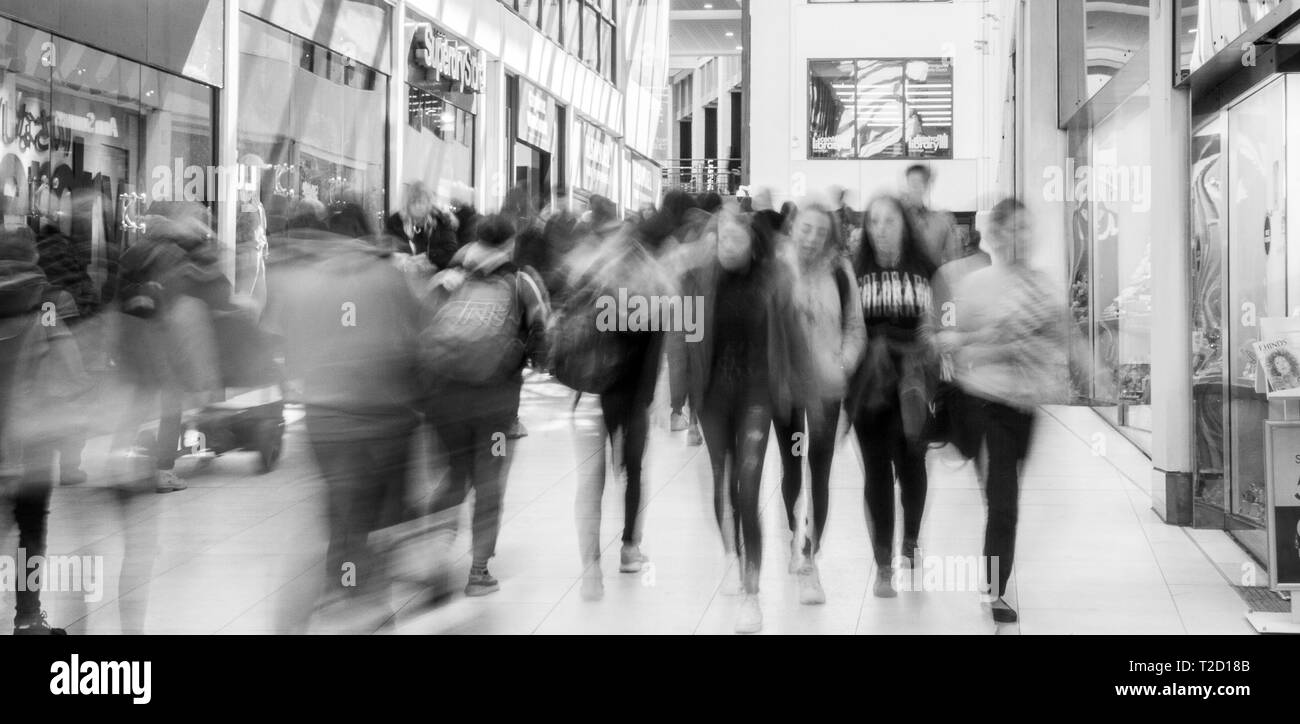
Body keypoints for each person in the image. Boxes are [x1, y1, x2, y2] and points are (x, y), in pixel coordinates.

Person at [937, 198, 1069, 624]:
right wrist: (990, 344)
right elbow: (950, 342)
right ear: (994, 236)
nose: (1019, 237)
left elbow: (1062, 334)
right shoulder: (976, 286)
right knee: (1003, 500)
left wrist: (1093, 369)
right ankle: (996, 589)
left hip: (1024, 409)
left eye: (1025, 228)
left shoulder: (1044, 286)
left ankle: (994, 578)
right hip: (983, 405)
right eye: (1010, 229)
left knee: (1006, 495)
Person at [683, 209, 798, 633]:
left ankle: (752, 594)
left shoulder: (774, 280)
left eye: (736, 239)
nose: (727, 245)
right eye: (721, 239)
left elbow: (791, 338)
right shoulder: (697, 281)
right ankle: (731, 554)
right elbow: (687, 338)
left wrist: (797, 387)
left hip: (755, 395)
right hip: (713, 398)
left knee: (748, 490)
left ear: (752, 242)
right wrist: (678, 397)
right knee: (722, 482)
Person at [422, 214, 549, 597]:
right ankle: (478, 572)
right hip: (495, 405)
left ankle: (433, 560)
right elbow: (543, 338)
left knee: (452, 477)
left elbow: (421, 328)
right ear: (510, 243)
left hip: (445, 402)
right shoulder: (521, 281)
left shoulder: (448, 277)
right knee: (489, 480)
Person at [566, 212, 669, 602]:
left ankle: (593, 566)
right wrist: (649, 398)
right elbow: (655, 343)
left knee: (595, 479)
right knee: (633, 470)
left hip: (598, 390)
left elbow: (574, 331)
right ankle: (628, 548)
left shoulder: (595, 276)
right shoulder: (653, 281)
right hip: (626, 393)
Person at [0, 226, 89, 634]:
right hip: (31, 441)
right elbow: (69, 371)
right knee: (30, 532)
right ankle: (27, 620)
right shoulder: (48, 303)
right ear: (33, 258)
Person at [775, 204, 864, 604]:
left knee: (820, 471)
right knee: (792, 466)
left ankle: (811, 557)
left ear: (830, 237)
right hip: (787, 387)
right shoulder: (777, 267)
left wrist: (843, 363)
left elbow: (855, 328)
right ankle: (795, 535)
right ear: (794, 229)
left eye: (820, 232)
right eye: (805, 229)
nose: (811, 237)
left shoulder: (841, 272)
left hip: (826, 389)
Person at [850, 194, 938, 598]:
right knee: (876, 473)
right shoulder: (857, 270)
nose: (880, 228)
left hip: (912, 386)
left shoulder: (926, 270)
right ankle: (884, 563)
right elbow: (847, 326)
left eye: (888, 221)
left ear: (904, 224)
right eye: (874, 222)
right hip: (869, 388)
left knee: (912, 465)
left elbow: (938, 324)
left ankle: (911, 541)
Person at [384, 181, 459, 268]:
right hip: (401, 274)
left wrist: (427, 257)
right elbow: (385, 248)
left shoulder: (440, 221)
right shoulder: (396, 221)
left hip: (433, 273)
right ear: (407, 204)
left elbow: (451, 251)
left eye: (421, 202)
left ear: (429, 203)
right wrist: (400, 258)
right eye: (413, 202)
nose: (418, 206)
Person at [902, 164, 959, 268]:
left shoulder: (941, 222)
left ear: (926, 186)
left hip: (931, 280)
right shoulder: (896, 219)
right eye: (910, 183)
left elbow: (953, 260)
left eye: (916, 183)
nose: (912, 188)